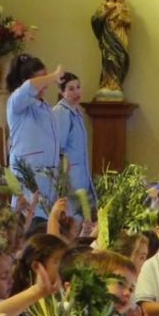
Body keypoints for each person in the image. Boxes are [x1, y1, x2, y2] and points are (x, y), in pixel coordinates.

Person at [6, 54, 63, 218]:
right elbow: (29, 87)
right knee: (29, 223)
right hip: (28, 176)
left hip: (49, 178)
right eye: (41, 78)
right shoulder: (16, 101)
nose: (46, 82)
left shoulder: (44, 106)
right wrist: (53, 75)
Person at [52, 71, 97, 218]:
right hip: (70, 179)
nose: (76, 92)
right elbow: (58, 148)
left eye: (78, 87)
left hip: (81, 177)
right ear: (61, 91)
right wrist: (64, 180)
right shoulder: (61, 112)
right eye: (71, 89)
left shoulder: (76, 112)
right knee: (73, 220)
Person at [91, 0, 131, 97]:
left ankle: (116, 84)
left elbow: (128, 21)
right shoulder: (102, 6)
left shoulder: (122, 6)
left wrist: (123, 19)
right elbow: (95, 20)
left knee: (120, 57)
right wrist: (109, 11)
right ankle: (107, 83)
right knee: (108, 59)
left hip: (119, 34)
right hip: (107, 36)